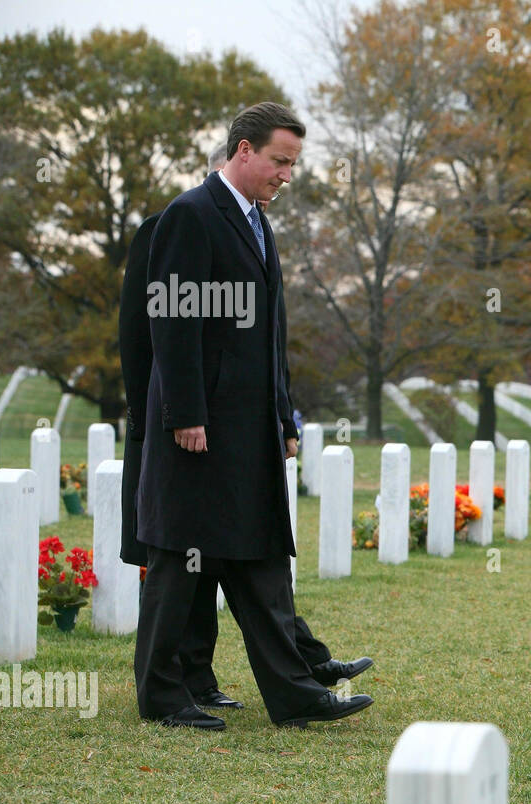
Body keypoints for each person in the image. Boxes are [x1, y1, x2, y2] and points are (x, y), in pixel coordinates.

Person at [133, 102, 372, 730]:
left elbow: (271, 336)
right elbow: (172, 322)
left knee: (260, 555)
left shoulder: (258, 223)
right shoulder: (191, 216)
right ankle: (162, 696)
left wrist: (284, 416)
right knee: (179, 559)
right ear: (244, 150)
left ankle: (298, 694)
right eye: (280, 161)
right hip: (198, 428)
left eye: (293, 163)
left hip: (249, 428)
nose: (287, 175)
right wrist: (185, 411)